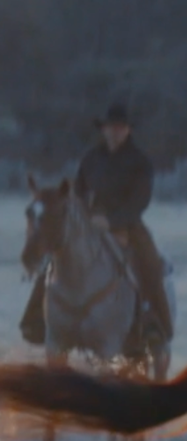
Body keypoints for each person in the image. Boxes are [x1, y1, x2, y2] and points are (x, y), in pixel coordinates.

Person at [20, 103, 169, 352]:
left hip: (128, 226)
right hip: (88, 225)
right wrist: (83, 217)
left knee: (151, 264)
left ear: (128, 130)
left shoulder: (140, 162)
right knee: (53, 259)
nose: (115, 132)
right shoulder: (91, 159)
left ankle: (155, 324)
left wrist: (111, 221)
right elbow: (78, 193)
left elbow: (139, 201)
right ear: (104, 129)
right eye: (111, 127)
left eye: (120, 127)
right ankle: (35, 319)